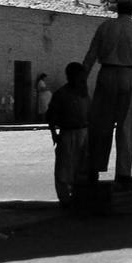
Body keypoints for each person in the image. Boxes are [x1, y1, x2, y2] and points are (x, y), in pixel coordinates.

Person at [83, 0, 132, 186]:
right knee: (126, 126)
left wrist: (81, 80)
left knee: (101, 124)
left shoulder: (105, 27)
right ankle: (123, 172)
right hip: (127, 75)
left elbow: (91, 56)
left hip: (106, 74)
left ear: (116, 8)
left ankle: (93, 168)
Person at [46, 62, 90, 207]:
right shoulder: (61, 94)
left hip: (83, 132)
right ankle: (64, 198)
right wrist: (54, 134)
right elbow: (51, 116)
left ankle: (79, 195)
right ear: (71, 76)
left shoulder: (84, 92)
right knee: (64, 167)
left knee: (82, 166)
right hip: (67, 133)